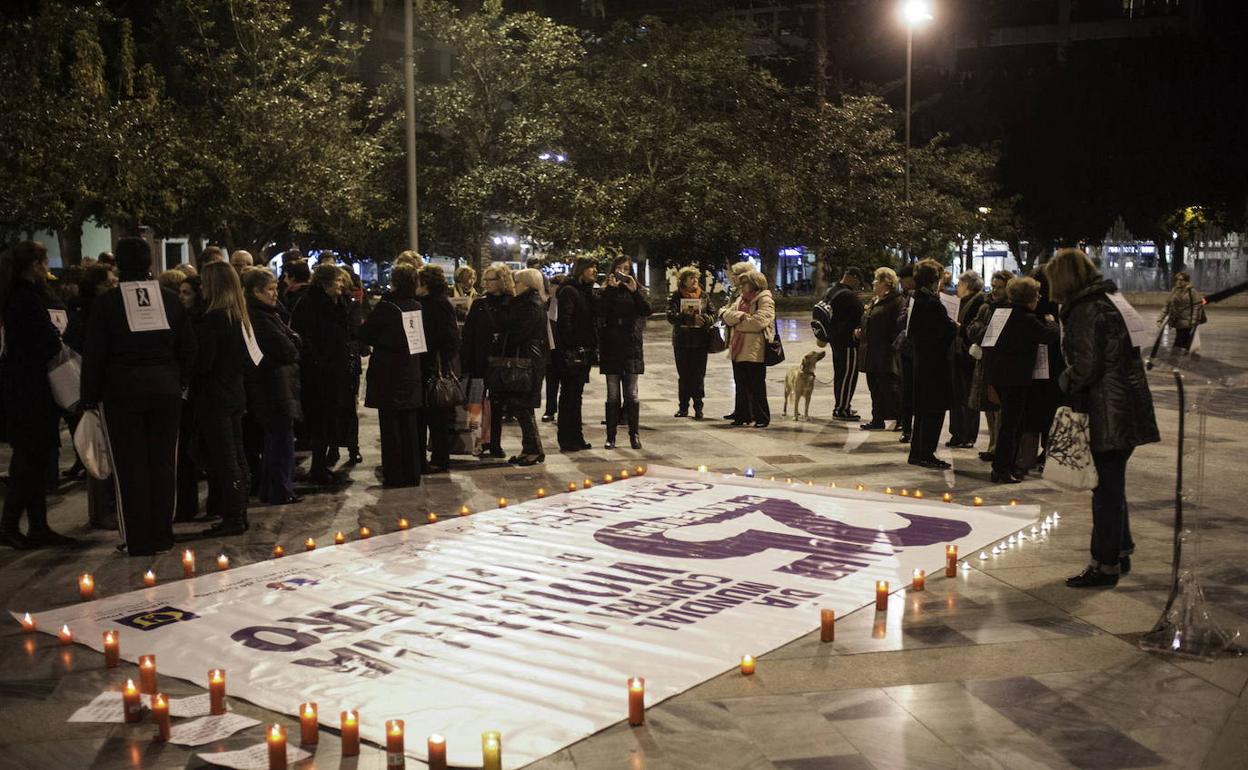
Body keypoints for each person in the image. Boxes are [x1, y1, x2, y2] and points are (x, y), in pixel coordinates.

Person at [1046, 248, 1159, 588]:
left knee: (1105, 490)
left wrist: (1064, 381)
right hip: (1127, 406)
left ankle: (1104, 562)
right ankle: (1120, 550)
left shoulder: (1084, 309)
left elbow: (1087, 366)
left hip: (1106, 411)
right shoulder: (1112, 300)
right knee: (1113, 484)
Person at [81, 237, 196, 556]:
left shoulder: (107, 303)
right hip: (166, 389)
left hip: (122, 391)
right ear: (149, 263)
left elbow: (94, 353)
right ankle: (163, 533)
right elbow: (188, 347)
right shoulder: (171, 300)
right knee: (163, 462)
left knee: (129, 466)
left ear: (118, 264)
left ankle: (138, 537)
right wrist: (180, 381)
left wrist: (88, 398)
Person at [0, 242, 76, 549]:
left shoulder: (18, 295)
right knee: (29, 460)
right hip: (29, 390)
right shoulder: (25, 298)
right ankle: (9, 524)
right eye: (44, 262)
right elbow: (44, 340)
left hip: (25, 387)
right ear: (34, 265)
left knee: (35, 457)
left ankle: (38, 525)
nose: (48, 268)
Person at [193, 262, 252, 537]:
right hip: (235, 392)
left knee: (226, 458)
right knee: (237, 455)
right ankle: (240, 511)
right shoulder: (239, 316)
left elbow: (204, 363)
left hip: (215, 396)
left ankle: (233, 516)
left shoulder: (213, 320)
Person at [985, 276, 1059, 484]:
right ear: (1029, 298)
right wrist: (1052, 323)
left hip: (1000, 376)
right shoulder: (1027, 319)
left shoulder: (1002, 313)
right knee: (1012, 426)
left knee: (1007, 424)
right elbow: (1048, 336)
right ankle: (1002, 469)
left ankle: (1001, 466)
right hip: (1017, 379)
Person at [359, 263, 423, 487]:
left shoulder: (387, 307)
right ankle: (412, 472)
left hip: (389, 370)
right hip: (411, 369)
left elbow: (366, 334)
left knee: (391, 425)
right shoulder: (416, 306)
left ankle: (395, 473)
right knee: (410, 424)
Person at [242, 267, 302, 505]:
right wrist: (293, 342)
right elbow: (287, 348)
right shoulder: (259, 317)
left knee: (279, 437)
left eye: (276, 288)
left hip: (279, 386)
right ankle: (280, 488)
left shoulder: (270, 313)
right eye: (270, 289)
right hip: (272, 387)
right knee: (280, 438)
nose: (275, 294)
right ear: (256, 291)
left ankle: (274, 488)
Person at [291, 263, 351, 485]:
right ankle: (318, 468)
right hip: (318, 373)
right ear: (325, 282)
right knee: (319, 421)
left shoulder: (337, 302)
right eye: (337, 281)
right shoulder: (309, 303)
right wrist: (319, 361)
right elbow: (303, 337)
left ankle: (322, 465)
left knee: (329, 420)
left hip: (335, 370)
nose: (341, 284)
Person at [492, 268, 548, 465]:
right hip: (528, 357)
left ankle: (533, 450)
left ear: (525, 283)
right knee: (521, 406)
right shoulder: (527, 302)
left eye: (516, 281)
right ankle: (530, 449)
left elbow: (518, 332)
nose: (514, 285)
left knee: (523, 405)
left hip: (526, 360)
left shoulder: (530, 304)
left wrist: (501, 339)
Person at [906, 259, 956, 469]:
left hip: (921, 361)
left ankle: (917, 452)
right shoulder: (932, 304)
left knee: (922, 410)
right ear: (933, 280)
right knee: (933, 410)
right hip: (934, 365)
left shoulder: (916, 299)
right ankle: (926, 453)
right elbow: (945, 332)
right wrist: (953, 326)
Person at [461, 263, 514, 457]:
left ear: (501, 280)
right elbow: (468, 336)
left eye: (490, 279)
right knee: (476, 404)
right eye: (486, 279)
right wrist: (466, 364)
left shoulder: (512, 303)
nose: (487, 283)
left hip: (500, 362)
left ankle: (495, 443)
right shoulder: (479, 304)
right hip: (479, 362)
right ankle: (477, 442)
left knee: (498, 404)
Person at [597, 256, 649, 449]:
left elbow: (647, 310)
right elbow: (600, 312)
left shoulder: (637, 290)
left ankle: (634, 435)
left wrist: (634, 292)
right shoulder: (606, 291)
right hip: (611, 346)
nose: (622, 272)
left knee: (632, 394)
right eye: (619, 268)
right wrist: (610, 289)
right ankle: (611, 436)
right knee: (612, 394)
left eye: (626, 269)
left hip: (631, 346)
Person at [415, 264, 460, 473]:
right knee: (436, 415)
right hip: (433, 364)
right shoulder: (440, 303)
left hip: (430, 365)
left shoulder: (430, 305)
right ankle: (438, 457)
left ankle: (436, 457)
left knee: (432, 414)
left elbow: (449, 338)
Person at [966, 270, 1012, 463]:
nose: (995, 291)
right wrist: (987, 330)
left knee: (999, 406)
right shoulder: (986, 307)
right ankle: (992, 443)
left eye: (1000, 288)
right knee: (987, 406)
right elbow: (972, 330)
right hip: (985, 361)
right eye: (993, 287)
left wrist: (984, 331)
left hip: (1001, 363)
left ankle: (997, 446)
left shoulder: (1011, 308)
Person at [719, 269, 775, 428]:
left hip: (754, 349)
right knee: (741, 384)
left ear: (755, 284)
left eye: (745, 283)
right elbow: (725, 314)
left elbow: (758, 322)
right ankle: (743, 415)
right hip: (738, 348)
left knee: (756, 385)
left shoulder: (764, 299)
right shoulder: (740, 299)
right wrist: (740, 317)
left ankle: (762, 417)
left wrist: (737, 322)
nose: (742, 286)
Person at [555, 257, 599, 451]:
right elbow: (565, 323)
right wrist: (573, 344)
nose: (595, 271)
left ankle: (576, 437)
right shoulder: (569, 291)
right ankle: (567, 438)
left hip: (584, 351)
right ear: (581, 269)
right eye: (591, 267)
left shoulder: (586, 291)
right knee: (569, 395)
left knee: (576, 395)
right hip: (572, 352)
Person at [855, 267, 904, 430]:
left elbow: (896, 326)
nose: (873, 283)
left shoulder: (896, 301)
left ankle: (900, 419)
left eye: (876, 280)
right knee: (874, 387)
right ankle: (877, 419)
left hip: (885, 353)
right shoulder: (874, 300)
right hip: (870, 352)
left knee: (889, 388)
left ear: (886, 283)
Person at [174, 275, 205, 520]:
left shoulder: (198, 322)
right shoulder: (182, 320)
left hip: (196, 395)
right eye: (180, 292)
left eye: (187, 293)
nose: (182, 297)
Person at [667, 266, 715, 419]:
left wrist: (705, 319)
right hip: (682, 342)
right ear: (684, 281)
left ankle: (699, 407)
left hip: (700, 341)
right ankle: (683, 407)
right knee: (684, 375)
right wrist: (690, 318)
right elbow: (671, 316)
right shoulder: (676, 296)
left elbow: (713, 314)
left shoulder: (704, 296)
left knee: (699, 375)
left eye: (696, 278)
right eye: (691, 278)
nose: (695, 281)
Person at [820, 267, 866, 420]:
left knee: (840, 375)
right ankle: (842, 409)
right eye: (858, 281)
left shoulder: (832, 291)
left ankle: (840, 406)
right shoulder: (849, 295)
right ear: (852, 277)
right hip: (848, 341)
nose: (858, 285)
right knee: (848, 376)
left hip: (835, 339)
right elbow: (862, 314)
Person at [948, 270, 986, 449]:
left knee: (968, 396)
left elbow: (973, 328)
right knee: (957, 394)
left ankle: (968, 434)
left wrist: (959, 327)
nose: (957, 287)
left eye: (960, 284)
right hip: (957, 352)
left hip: (967, 354)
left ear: (968, 285)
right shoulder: (962, 301)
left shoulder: (978, 301)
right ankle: (957, 433)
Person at [894, 263, 916, 442]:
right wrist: (908, 314)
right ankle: (906, 427)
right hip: (907, 350)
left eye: (903, 279)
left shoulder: (928, 297)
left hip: (921, 351)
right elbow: (900, 321)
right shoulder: (906, 297)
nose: (900, 282)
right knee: (906, 389)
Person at [542, 273, 566, 423]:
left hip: (564, 348)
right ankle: (550, 410)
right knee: (551, 381)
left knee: (566, 383)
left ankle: (565, 411)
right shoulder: (546, 302)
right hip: (549, 348)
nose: (550, 288)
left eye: (553, 285)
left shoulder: (566, 302)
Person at [1160, 271, 1204, 351]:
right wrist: (1161, 318)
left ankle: (1179, 359)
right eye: (1177, 280)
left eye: (1181, 280)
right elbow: (1167, 305)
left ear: (1186, 281)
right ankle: (1181, 358)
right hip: (1177, 322)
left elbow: (1197, 307)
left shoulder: (1192, 291)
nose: (1178, 282)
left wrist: (1193, 322)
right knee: (1182, 343)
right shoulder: (1175, 290)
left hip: (1187, 322)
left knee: (1180, 344)